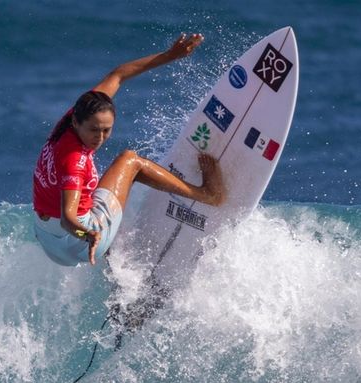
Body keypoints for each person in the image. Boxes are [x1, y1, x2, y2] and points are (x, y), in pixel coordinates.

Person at [32, 33, 225, 266]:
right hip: (77, 238)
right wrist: (89, 235)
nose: (100, 138)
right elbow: (68, 219)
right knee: (130, 161)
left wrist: (169, 56)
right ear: (77, 123)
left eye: (106, 130)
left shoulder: (70, 122)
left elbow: (118, 75)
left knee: (101, 194)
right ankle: (206, 194)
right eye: (94, 130)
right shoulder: (74, 159)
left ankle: (121, 288)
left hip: (48, 240)